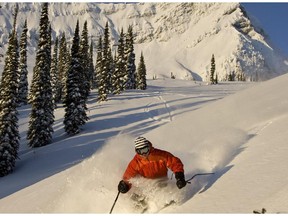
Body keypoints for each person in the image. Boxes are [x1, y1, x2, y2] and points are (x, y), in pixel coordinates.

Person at [118, 136, 186, 194]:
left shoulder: (160, 155)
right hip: (146, 189)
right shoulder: (136, 162)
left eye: (145, 149)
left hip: (163, 184)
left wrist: (179, 177)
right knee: (137, 197)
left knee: (164, 192)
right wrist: (125, 185)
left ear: (149, 147)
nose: (144, 153)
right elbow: (128, 177)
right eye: (141, 151)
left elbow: (175, 163)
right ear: (137, 151)